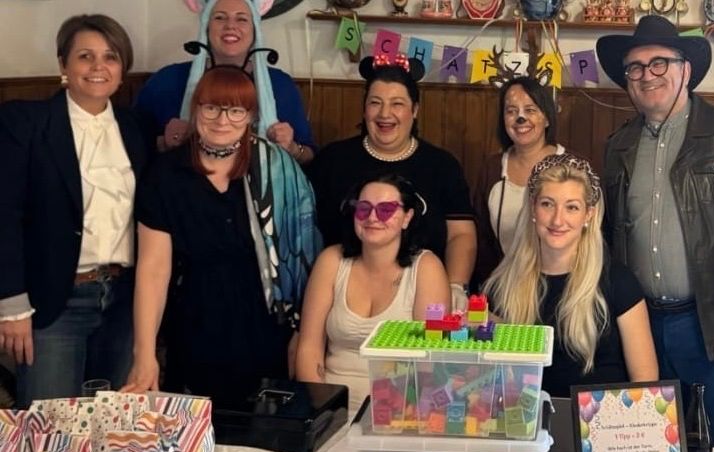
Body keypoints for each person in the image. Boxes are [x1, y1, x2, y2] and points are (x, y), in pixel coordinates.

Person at [122, 66, 320, 407]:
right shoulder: (166, 174)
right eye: (211, 107)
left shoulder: (277, 168)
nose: (222, 119)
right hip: (194, 328)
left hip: (267, 328)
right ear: (196, 108)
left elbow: (303, 256)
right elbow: (154, 271)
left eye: (235, 109)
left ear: (250, 116)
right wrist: (144, 353)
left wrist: (303, 333)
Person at [596, 15, 714, 448]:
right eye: (636, 68)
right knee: (648, 445)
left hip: (708, 322)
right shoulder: (618, 146)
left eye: (659, 63)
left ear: (685, 69)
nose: (647, 76)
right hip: (639, 322)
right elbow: (608, 234)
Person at [0, 14, 147, 407]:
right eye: (85, 56)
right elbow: (4, 215)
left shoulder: (137, 129)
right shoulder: (25, 123)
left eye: (111, 57)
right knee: (52, 433)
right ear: (64, 64)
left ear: (122, 68)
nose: (99, 67)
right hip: (55, 301)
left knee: (114, 427)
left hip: (123, 301)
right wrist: (12, 306)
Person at [309, 55, 475, 311]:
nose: (385, 114)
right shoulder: (332, 161)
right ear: (364, 109)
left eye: (397, 104)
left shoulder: (441, 165)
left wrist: (455, 286)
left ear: (415, 110)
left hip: (424, 298)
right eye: (375, 103)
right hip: (341, 298)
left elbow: (461, 234)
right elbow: (308, 233)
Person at [483, 154, 658, 398]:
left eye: (572, 207)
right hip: (526, 426)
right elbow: (489, 380)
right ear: (533, 207)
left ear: (588, 214)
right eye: (547, 204)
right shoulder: (501, 286)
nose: (558, 220)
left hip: (601, 430)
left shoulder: (619, 282)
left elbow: (645, 382)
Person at [296, 174, 451, 418]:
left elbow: (431, 361)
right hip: (330, 408)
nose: (372, 218)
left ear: (407, 217)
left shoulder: (427, 268)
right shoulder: (331, 260)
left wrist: (399, 419)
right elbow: (308, 347)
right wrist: (321, 413)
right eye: (363, 208)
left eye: (386, 209)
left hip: (400, 413)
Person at [134, 0, 314, 163]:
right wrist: (163, 142)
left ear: (255, 29)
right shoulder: (167, 81)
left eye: (242, 19)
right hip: (182, 193)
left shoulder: (281, 86)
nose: (230, 26)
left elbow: (309, 155)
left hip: (259, 196)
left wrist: (291, 148)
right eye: (220, 18)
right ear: (206, 26)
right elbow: (130, 143)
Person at [471, 76, 569, 289]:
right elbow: (482, 240)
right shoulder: (491, 169)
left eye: (530, 110)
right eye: (511, 111)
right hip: (505, 288)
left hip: (563, 289)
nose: (520, 118)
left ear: (547, 118)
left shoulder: (575, 167)